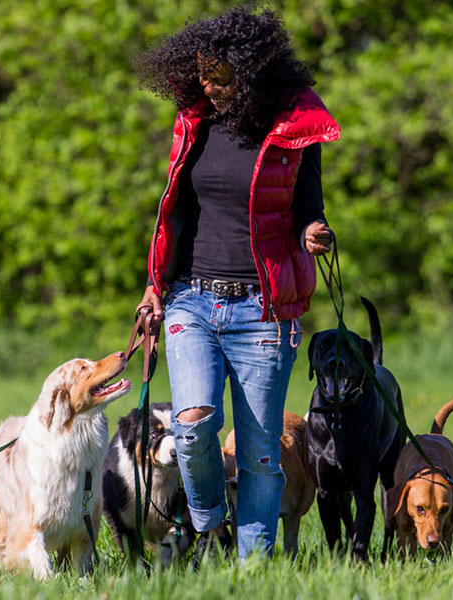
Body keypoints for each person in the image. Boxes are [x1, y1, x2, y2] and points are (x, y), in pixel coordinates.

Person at [134, 6, 338, 560]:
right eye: (200, 72)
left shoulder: (295, 129)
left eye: (217, 74)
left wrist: (314, 231)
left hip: (263, 314)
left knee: (260, 457)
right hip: (191, 301)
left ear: (250, 71)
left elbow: (307, 208)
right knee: (193, 426)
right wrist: (156, 285)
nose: (206, 84)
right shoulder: (194, 123)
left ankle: (253, 573)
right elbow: (173, 211)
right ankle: (209, 522)